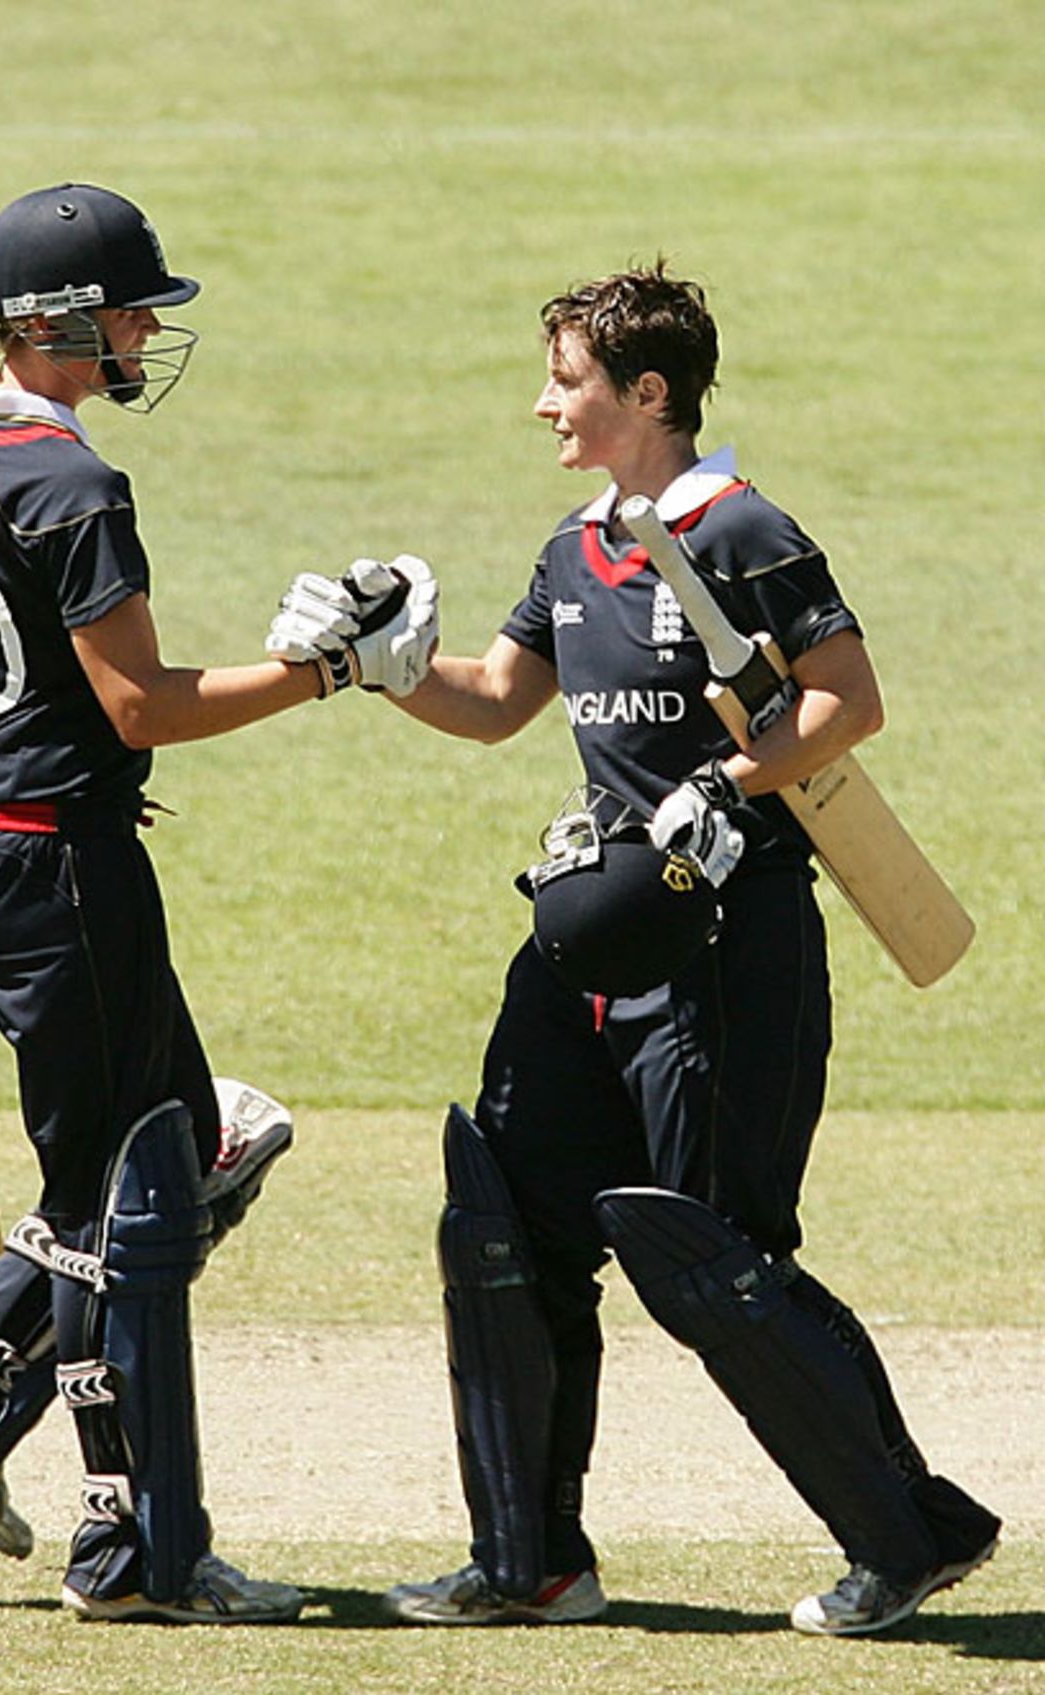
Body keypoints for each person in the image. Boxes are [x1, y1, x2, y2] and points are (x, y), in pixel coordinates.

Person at [266, 262, 1001, 1636]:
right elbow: (495, 703)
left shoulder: (742, 532)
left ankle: (907, 1538)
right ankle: (528, 1561)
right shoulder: (575, 547)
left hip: (730, 946)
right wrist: (373, 669)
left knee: (718, 1260)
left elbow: (848, 701)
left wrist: (728, 784)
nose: (544, 402)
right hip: (586, 941)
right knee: (506, 1221)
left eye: (570, 379)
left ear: (647, 394)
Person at [0, 182, 437, 1626]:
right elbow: (139, 708)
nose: (150, 328)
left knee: (167, 1157)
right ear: (61, 324)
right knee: (131, 1198)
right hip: (60, 864)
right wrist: (336, 672)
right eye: (135, 307)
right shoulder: (72, 485)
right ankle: (127, 1547)